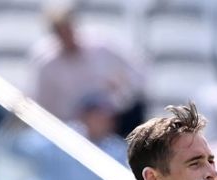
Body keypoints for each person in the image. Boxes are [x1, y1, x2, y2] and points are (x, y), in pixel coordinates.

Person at [15, 93, 131, 180]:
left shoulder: (117, 149)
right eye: (97, 115)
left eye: (107, 117)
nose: (102, 121)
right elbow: (21, 147)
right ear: (84, 116)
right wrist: (18, 120)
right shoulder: (62, 136)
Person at [31, 5, 144, 136]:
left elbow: (137, 68)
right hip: (74, 131)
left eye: (68, 30)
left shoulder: (102, 45)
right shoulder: (46, 63)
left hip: (116, 120)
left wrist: (120, 96)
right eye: (60, 32)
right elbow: (44, 104)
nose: (67, 37)